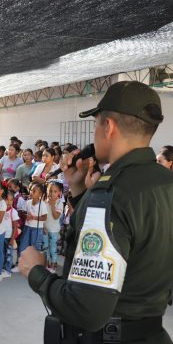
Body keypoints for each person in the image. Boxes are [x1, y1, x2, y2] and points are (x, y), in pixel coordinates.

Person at [19, 81, 173, 343]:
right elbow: (129, 237)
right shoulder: (163, 182)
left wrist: (36, 273)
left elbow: (86, 309)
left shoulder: (112, 192)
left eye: (95, 125)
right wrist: (79, 190)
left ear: (108, 127)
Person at [18, 183, 47, 254]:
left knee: (35, 246)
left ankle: (34, 262)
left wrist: (34, 217)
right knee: (23, 245)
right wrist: (26, 216)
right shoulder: (27, 202)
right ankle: (22, 260)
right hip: (27, 227)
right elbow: (22, 213)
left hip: (37, 229)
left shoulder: (42, 204)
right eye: (31, 190)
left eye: (34, 191)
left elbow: (44, 217)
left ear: (40, 194)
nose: (31, 192)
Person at [42, 180, 63, 273]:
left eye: (55, 191)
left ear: (59, 193)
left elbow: (56, 216)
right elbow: (43, 216)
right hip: (45, 229)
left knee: (53, 248)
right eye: (50, 191)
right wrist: (42, 227)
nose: (52, 193)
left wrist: (53, 205)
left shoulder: (59, 203)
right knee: (45, 247)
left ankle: (53, 265)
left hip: (54, 230)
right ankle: (46, 264)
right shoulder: (44, 202)